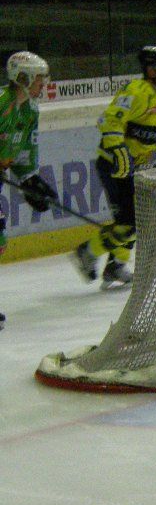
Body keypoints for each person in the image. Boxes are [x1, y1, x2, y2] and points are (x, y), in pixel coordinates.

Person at [71, 45, 156, 289]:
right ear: (151, 69)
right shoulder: (135, 91)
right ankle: (88, 252)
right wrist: (118, 150)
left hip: (135, 169)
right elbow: (109, 120)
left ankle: (116, 264)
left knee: (136, 221)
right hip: (115, 167)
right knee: (129, 224)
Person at [0, 51, 49, 331]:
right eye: (39, 78)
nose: (43, 83)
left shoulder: (30, 111)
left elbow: (24, 152)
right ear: (24, 77)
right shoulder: (1, 104)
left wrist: (30, 180)